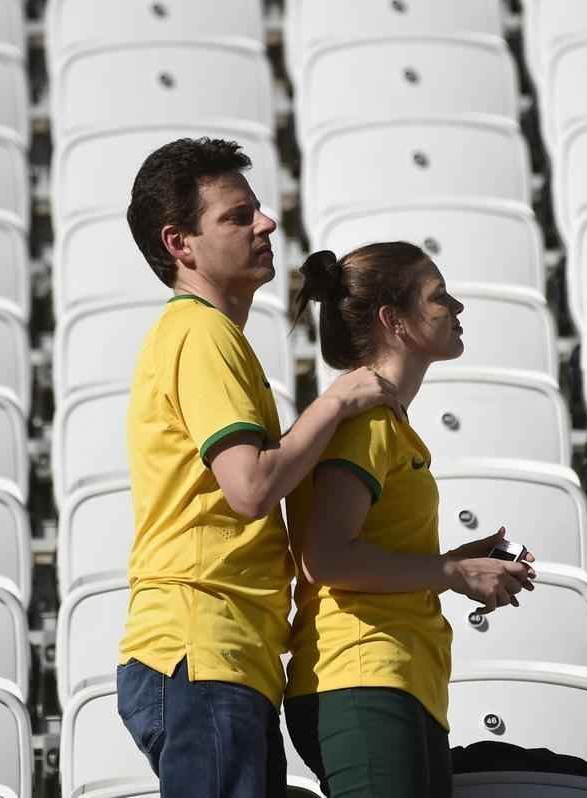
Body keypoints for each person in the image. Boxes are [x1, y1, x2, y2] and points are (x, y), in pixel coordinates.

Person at [115, 138, 403, 798]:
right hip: (202, 648)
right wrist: (334, 403)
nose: (266, 224)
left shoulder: (208, 337)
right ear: (180, 244)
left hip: (218, 653)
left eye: (259, 210)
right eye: (237, 216)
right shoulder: (201, 334)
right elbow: (248, 488)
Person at [284, 244, 537, 798]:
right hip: (361, 675)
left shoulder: (384, 422)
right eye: (438, 296)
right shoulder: (364, 422)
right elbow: (325, 557)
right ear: (392, 320)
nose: (457, 306)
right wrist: (451, 571)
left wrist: (461, 562)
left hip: (395, 679)